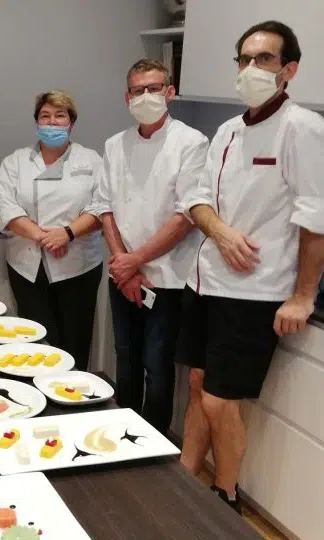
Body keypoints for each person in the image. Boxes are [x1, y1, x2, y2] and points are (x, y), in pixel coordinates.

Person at [177, 21, 324, 511]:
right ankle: (183, 484)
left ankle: (225, 496)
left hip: (254, 291)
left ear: (289, 69)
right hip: (205, 282)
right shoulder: (228, 129)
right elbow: (195, 195)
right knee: (197, 385)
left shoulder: (302, 128)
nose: (251, 69)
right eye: (244, 59)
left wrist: (303, 296)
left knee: (220, 400)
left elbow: (315, 219)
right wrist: (218, 229)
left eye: (263, 59)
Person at [92, 59, 208, 434]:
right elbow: (104, 208)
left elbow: (186, 215)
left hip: (168, 278)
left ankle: (152, 443)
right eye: (138, 90)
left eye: (154, 88)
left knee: (157, 366)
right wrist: (124, 267)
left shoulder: (191, 143)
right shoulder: (115, 144)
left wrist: (134, 262)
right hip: (123, 274)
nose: (146, 96)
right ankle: (121, 433)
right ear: (127, 97)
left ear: (169, 92)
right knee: (125, 358)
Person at [0, 91, 103, 371]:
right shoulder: (15, 162)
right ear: (36, 123)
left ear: (71, 123)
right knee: (35, 345)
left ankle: (74, 400)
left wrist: (66, 233)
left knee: (75, 344)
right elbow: (7, 209)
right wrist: (44, 237)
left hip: (79, 266)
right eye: (45, 116)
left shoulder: (91, 161)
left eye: (60, 116)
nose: (52, 122)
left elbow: (100, 207)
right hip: (28, 266)